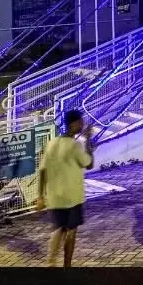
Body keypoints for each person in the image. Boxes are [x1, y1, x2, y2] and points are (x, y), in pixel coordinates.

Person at [37, 108, 95, 266]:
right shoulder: (75, 146)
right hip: (72, 197)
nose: (82, 125)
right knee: (71, 232)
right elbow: (89, 164)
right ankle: (67, 266)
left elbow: (42, 171)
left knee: (58, 228)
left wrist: (40, 196)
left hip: (54, 196)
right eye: (81, 122)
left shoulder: (52, 143)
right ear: (74, 124)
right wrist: (88, 140)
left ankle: (51, 261)